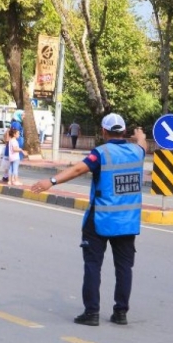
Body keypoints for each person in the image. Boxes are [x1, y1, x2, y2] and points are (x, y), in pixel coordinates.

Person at [31, 113, 147, 326]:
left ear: (103, 132)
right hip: (127, 221)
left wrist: (52, 180)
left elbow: (78, 169)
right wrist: (140, 135)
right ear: (124, 131)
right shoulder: (137, 152)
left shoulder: (101, 154)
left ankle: (91, 312)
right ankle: (121, 312)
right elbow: (142, 145)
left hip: (100, 219)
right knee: (124, 268)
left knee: (93, 265)